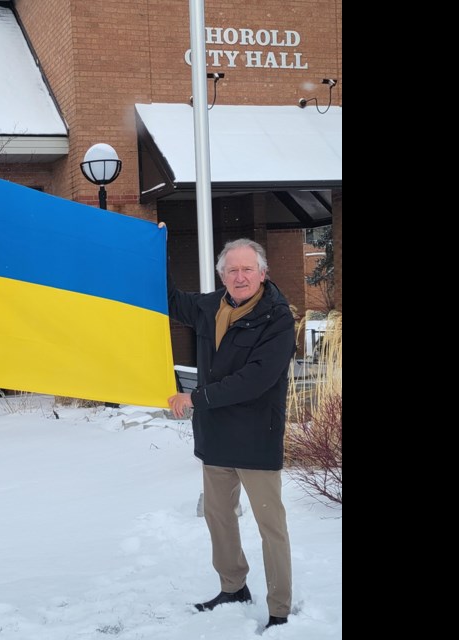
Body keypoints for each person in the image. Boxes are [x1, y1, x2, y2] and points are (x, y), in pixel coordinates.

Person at [164, 234, 296, 630]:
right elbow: (168, 299)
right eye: (232, 270)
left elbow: (254, 380)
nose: (240, 277)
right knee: (220, 517)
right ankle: (233, 586)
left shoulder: (278, 317)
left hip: (257, 436)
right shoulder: (209, 306)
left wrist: (196, 398)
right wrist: (159, 248)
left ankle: (280, 608)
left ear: (263, 273)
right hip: (216, 436)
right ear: (223, 275)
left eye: (247, 269)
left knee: (270, 525)